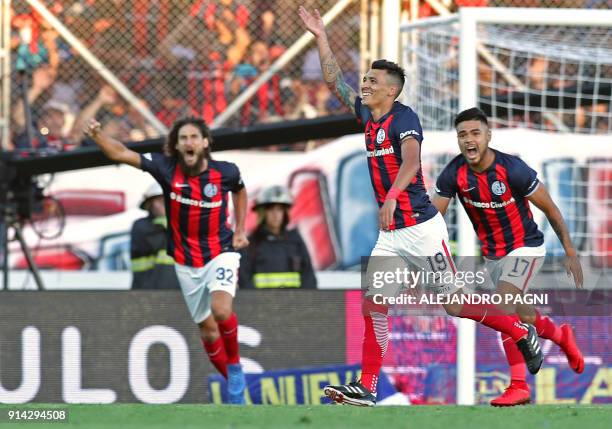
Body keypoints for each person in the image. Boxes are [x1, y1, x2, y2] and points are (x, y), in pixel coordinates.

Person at [299, 7, 543, 407]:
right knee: (373, 304)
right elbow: (333, 81)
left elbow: (411, 161)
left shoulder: (403, 118)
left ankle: (519, 331)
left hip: (420, 228)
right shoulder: (367, 117)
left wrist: (393, 195)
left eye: (372, 80)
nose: (364, 84)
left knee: (455, 303)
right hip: (391, 235)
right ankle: (367, 386)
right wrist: (321, 35)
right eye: (365, 78)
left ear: (391, 91)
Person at [84, 116, 249, 404]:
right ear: (176, 144)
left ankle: (235, 367)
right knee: (208, 332)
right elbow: (120, 153)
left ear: (206, 142)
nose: (188, 142)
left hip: (220, 252)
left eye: (194, 137)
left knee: (221, 311)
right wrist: (97, 136)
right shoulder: (165, 168)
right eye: (183, 138)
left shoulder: (226, 172)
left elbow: (240, 190)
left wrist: (240, 229)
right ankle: (237, 394)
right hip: (187, 262)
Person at [432, 107, 584, 406]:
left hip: (526, 246)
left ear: (488, 135)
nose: (468, 140)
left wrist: (569, 251)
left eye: (475, 133)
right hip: (493, 255)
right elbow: (433, 218)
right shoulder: (454, 173)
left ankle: (518, 386)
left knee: (504, 305)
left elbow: (551, 209)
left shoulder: (512, 168)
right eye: (462, 134)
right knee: (523, 315)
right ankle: (561, 335)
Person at [238, 185, 317, 289]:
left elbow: (308, 276)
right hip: (260, 304)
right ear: (262, 213)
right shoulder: (251, 243)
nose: (275, 215)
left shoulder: (295, 241)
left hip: (294, 303)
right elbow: (245, 280)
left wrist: (304, 302)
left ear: (285, 213)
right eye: (271, 210)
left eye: (279, 210)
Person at [130, 182, 180, 290]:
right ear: (150, 204)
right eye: (162, 201)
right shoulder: (142, 226)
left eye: (169, 201)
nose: (166, 205)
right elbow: (159, 238)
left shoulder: (183, 226)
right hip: (148, 291)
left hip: (180, 293)